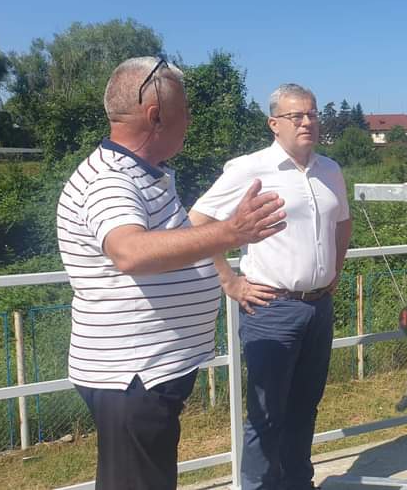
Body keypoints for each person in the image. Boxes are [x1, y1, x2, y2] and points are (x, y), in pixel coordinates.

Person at [57, 56, 285, 490]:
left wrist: (221, 264)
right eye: (185, 110)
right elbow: (129, 252)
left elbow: (174, 247)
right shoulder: (110, 179)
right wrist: (231, 232)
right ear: (155, 115)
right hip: (133, 375)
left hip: (148, 373)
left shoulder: (144, 175)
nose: (190, 120)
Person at [189, 83, 352, 490]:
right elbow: (198, 222)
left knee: (305, 407)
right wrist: (229, 280)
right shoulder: (251, 169)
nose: (307, 122)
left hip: (318, 307)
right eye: (296, 116)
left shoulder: (330, 170)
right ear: (274, 123)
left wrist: (335, 270)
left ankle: (298, 482)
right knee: (266, 414)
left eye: (312, 114)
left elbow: (342, 222)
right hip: (271, 309)